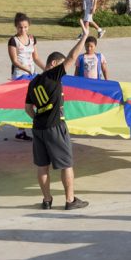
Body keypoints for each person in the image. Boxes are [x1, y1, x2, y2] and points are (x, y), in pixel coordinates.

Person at [24, 32, 90, 210]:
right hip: (55, 127)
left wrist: (39, 118)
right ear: (53, 64)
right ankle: (70, 200)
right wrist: (84, 37)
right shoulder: (53, 75)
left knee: (42, 166)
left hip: (38, 128)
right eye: (61, 65)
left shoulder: (33, 82)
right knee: (66, 165)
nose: (63, 70)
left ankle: (47, 200)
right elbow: (72, 56)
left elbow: (28, 108)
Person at [8, 13, 45, 140]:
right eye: (20, 27)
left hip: (31, 75)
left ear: (29, 26)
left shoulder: (32, 39)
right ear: (16, 27)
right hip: (20, 75)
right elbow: (14, 61)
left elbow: (36, 57)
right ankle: (20, 130)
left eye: (25, 27)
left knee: (33, 100)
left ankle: (34, 125)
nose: (23, 30)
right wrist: (27, 70)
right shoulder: (13, 41)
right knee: (22, 102)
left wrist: (46, 69)